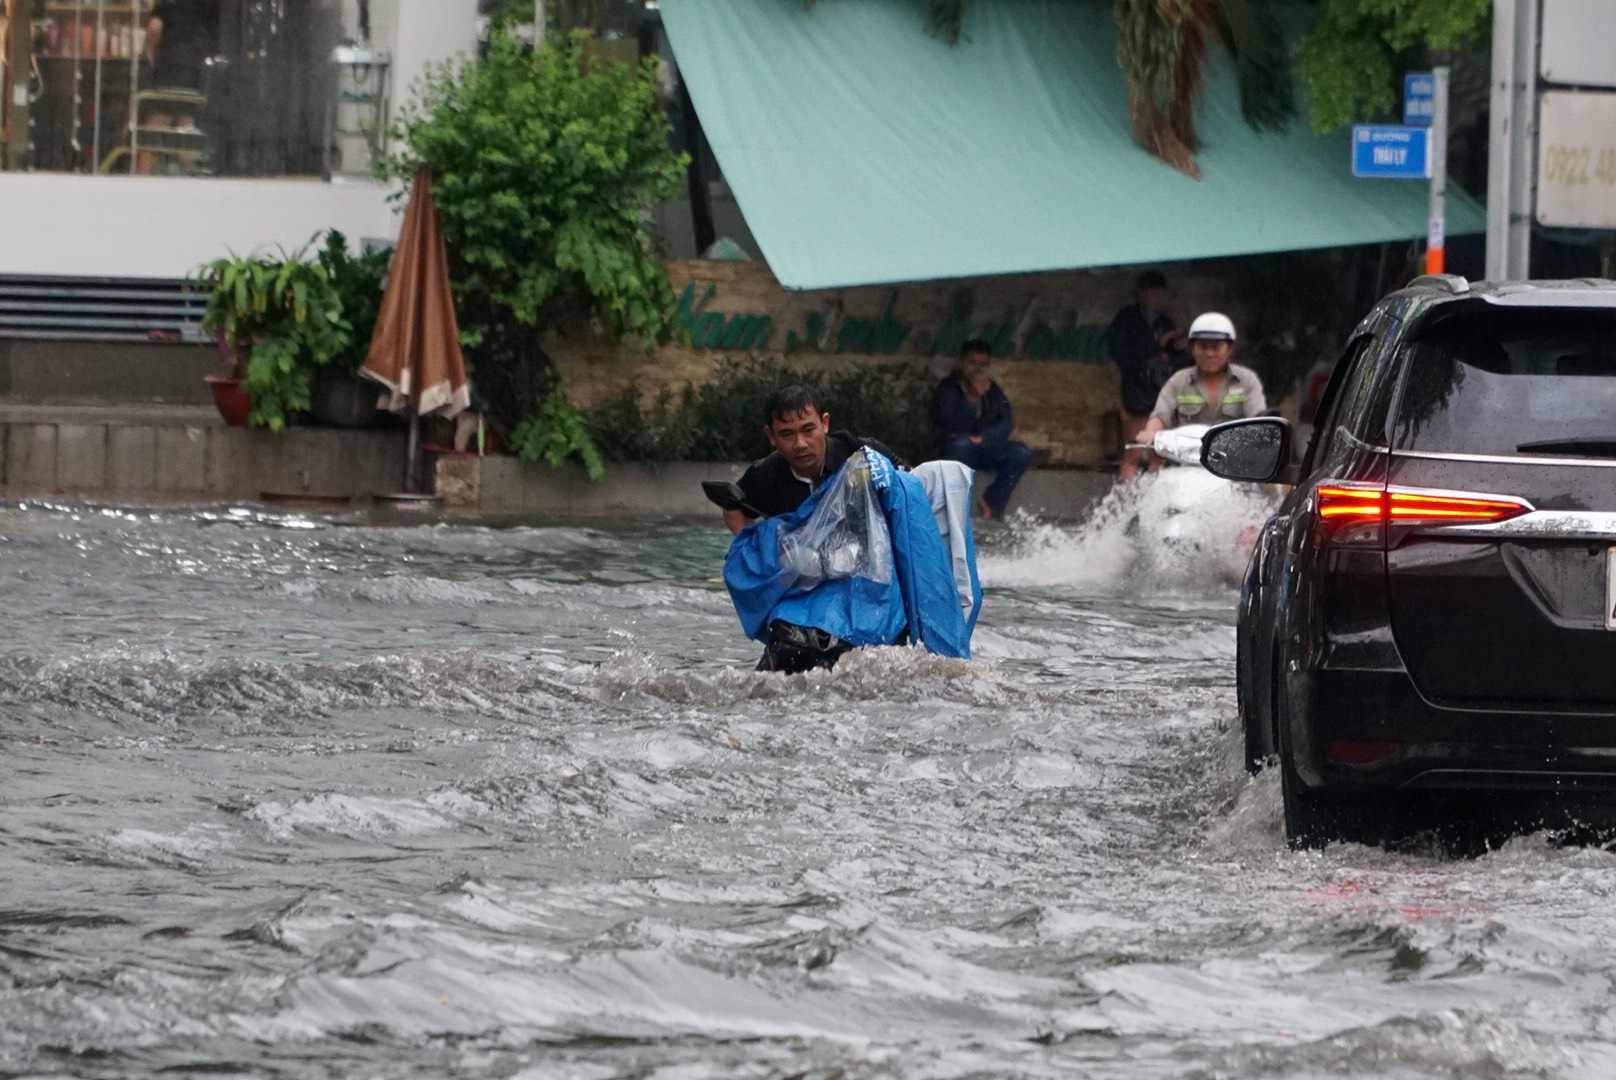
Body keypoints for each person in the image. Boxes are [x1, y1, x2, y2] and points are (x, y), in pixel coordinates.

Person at [723, 383, 900, 535]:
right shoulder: (765, 475)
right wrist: (758, 552)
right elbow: (734, 508)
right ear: (771, 436)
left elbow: (910, 491)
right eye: (786, 434)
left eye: (808, 430)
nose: (800, 444)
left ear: (825, 423)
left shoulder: (864, 455)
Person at [933, 339, 1032, 519]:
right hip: (960, 449)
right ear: (962, 363)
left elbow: (1006, 422)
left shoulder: (992, 389)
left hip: (986, 446)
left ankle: (992, 503)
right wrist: (972, 398)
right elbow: (949, 423)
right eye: (972, 363)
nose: (977, 369)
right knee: (960, 445)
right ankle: (958, 509)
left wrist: (985, 438)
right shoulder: (949, 388)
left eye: (983, 365)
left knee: (1020, 452)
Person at [1138, 312, 1267, 448]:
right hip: (1186, 461)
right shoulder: (1178, 381)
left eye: (1216, 347)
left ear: (1229, 349)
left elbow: (1259, 419)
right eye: (1202, 346)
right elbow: (1160, 415)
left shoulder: (1248, 380)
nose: (1209, 353)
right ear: (1192, 349)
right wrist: (1150, 432)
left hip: (1235, 461)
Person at [1109, 270, 1186, 479]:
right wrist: (1156, 348)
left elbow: (1177, 356)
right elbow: (1122, 359)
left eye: (1160, 294)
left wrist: (1174, 342)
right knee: (1133, 453)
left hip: (1160, 394)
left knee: (1158, 454)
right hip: (1137, 395)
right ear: (1141, 294)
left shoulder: (1164, 322)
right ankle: (1125, 503)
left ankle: (1153, 501)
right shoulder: (1127, 320)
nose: (1157, 298)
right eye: (1153, 293)